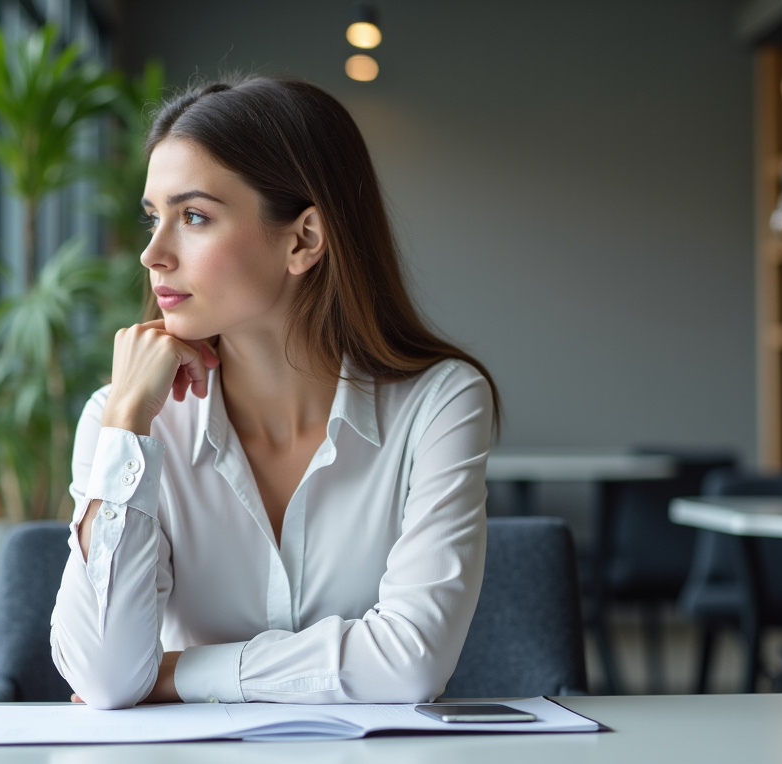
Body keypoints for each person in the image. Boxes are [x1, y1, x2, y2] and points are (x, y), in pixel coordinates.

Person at [50, 76, 501, 710]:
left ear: (303, 240)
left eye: (195, 216)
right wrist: (126, 421)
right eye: (153, 218)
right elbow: (101, 679)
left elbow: (410, 664)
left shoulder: (441, 404)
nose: (153, 254)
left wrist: (178, 674)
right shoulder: (123, 423)